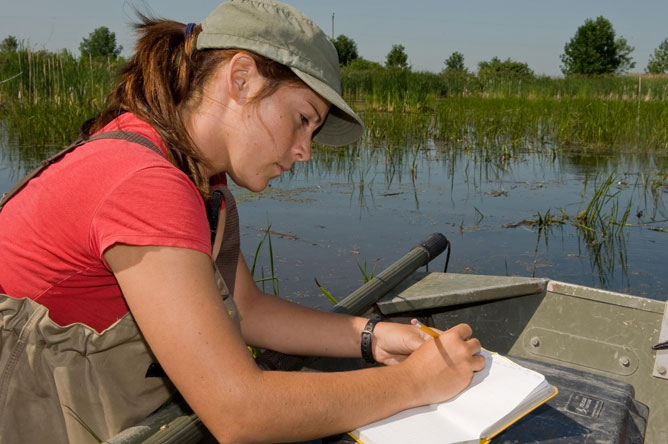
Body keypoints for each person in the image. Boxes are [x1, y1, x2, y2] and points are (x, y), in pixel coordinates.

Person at [0, 1, 485, 443]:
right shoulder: (146, 183)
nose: (304, 151)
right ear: (242, 79)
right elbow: (238, 411)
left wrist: (371, 335)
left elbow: (247, 310)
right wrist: (415, 382)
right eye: (301, 119)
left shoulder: (204, 185)